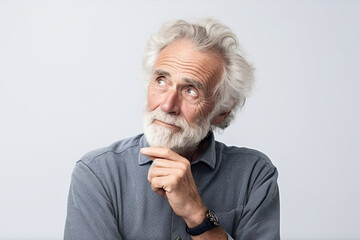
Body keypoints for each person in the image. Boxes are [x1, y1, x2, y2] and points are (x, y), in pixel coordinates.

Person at [64, 18, 280, 240]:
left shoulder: (254, 175)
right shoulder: (98, 173)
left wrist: (196, 213)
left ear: (223, 111)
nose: (168, 106)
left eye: (191, 91)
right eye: (161, 81)